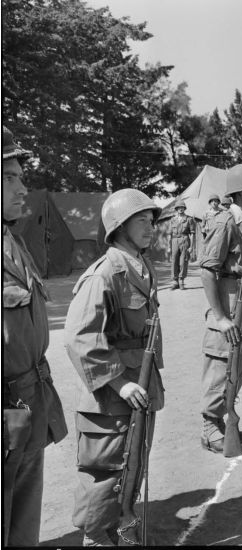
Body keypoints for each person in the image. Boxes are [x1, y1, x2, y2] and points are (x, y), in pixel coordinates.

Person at [64, 189, 164, 546]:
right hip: (110, 397)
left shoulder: (140, 266)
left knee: (132, 463)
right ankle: (96, 538)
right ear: (119, 226)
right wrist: (120, 383)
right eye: (142, 219)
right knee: (105, 474)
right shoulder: (105, 273)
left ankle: (122, 523)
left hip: (139, 386)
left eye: (152, 220)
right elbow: (79, 336)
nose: (151, 226)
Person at [3, 127, 68, 547]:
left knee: (23, 517)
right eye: (9, 177)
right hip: (6, 403)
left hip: (29, 397)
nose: (23, 186)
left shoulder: (13, 239)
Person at [198, 164, 242, 453]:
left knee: (238, 364)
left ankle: (227, 420)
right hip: (228, 296)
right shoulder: (225, 221)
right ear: (240, 193)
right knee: (222, 361)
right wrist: (220, 316)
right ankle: (210, 426)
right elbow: (207, 270)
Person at [169, 200, 193, 290]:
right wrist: (168, 246)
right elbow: (169, 233)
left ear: (184, 208)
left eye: (182, 207)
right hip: (174, 240)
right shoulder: (173, 219)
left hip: (184, 240)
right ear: (176, 209)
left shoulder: (189, 219)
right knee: (174, 260)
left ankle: (181, 280)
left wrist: (191, 246)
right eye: (179, 208)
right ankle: (175, 281)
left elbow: (192, 233)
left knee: (183, 261)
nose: (180, 209)